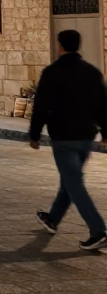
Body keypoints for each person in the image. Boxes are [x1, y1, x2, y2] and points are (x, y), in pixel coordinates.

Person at [30, 29, 107, 251]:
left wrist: (35, 134)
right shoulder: (92, 72)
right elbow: (103, 104)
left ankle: (98, 230)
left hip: (64, 137)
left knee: (74, 183)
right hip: (85, 136)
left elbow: (41, 106)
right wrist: (105, 131)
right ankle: (52, 219)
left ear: (60, 46)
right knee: (70, 179)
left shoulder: (52, 72)